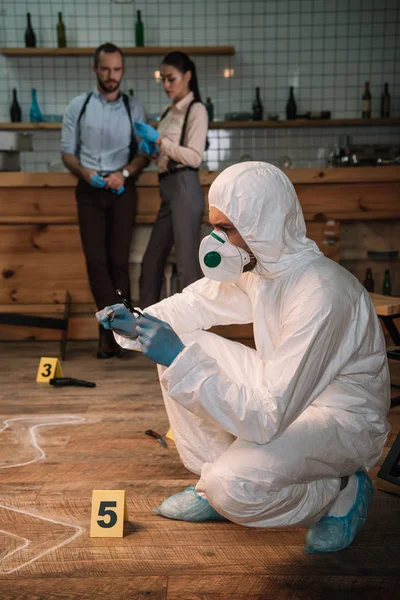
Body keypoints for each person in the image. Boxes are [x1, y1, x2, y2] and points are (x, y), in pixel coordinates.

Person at [96, 161, 390, 553]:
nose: (216, 240)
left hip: (342, 421)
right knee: (179, 346)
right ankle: (210, 480)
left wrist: (181, 359)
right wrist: (136, 322)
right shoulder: (263, 270)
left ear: (262, 225)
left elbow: (267, 414)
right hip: (287, 393)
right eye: (214, 226)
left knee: (233, 488)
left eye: (227, 230)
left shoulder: (321, 292)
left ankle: (341, 490)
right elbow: (195, 305)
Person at [61, 42, 150, 358]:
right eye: (105, 69)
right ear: (95, 69)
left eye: (116, 70)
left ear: (122, 71)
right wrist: (85, 173)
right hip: (88, 190)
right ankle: (110, 332)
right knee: (96, 264)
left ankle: (121, 335)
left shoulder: (134, 107)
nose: (111, 76)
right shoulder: (78, 106)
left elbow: (144, 153)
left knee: (119, 263)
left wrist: (124, 173)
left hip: (122, 190)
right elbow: (67, 154)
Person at [133, 51, 209, 308]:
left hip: (185, 187)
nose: (166, 85)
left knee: (188, 267)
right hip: (168, 189)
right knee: (152, 260)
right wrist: (154, 151)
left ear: (187, 76)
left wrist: (159, 141)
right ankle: (146, 327)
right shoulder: (168, 111)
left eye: (171, 78)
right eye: (163, 79)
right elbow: (166, 153)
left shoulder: (196, 110)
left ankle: (194, 337)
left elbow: (194, 157)